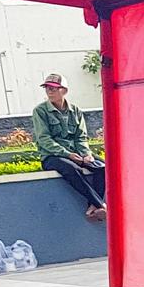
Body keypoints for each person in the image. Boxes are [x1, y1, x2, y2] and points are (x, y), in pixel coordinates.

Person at [33, 73, 107, 221]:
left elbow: (81, 136)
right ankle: (100, 205)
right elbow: (44, 139)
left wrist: (86, 154)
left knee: (102, 167)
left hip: (76, 153)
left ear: (64, 90)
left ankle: (92, 207)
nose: (50, 91)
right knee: (73, 169)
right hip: (52, 156)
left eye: (54, 88)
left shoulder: (76, 111)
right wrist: (67, 154)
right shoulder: (40, 111)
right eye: (47, 88)